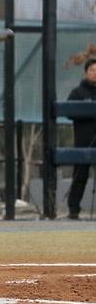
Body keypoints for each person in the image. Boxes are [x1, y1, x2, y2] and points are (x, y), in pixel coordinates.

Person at [66, 58, 96, 220]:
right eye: (92, 70)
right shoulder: (77, 92)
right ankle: (73, 209)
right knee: (80, 176)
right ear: (86, 72)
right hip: (83, 141)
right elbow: (69, 112)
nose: (95, 73)